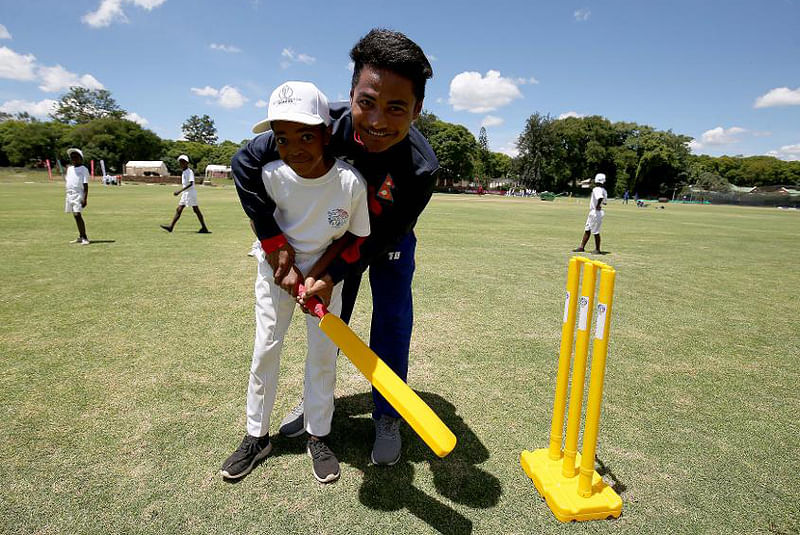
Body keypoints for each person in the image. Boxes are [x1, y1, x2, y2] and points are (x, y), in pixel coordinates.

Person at [231, 29, 438, 467]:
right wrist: (273, 242)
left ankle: (387, 415)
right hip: (332, 241)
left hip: (385, 239)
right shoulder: (321, 127)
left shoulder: (420, 168)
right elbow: (245, 161)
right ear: (351, 95)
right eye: (367, 102)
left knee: (392, 320)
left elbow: (380, 237)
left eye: (396, 107)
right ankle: (316, 405)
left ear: (417, 110)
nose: (378, 120)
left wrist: (330, 275)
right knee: (332, 326)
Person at [221, 81, 370, 484]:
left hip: (324, 277)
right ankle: (257, 437)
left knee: (322, 356)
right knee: (265, 348)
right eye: (282, 139)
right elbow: (260, 220)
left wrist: (320, 275)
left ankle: (318, 434)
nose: (295, 149)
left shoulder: (350, 183)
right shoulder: (269, 174)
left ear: (326, 133)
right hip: (275, 273)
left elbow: (355, 238)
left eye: (306, 135)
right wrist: (281, 262)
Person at [160, 155, 210, 233]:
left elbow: (191, 183)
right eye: (180, 162)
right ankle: (171, 227)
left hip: (190, 193)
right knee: (179, 209)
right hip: (186, 193)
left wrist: (179, 191)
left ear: (187, 163)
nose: (181, 164)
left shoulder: (189, 171)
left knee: (196, 210)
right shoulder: (184, 172)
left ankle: (204, 228)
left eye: (183, 162)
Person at [573, 172, 608, 254]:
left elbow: (600, 198)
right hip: (596, 212)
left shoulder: (596, 189)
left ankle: (597, 249)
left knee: (595, 231)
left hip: (595, 212)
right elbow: (605, 202)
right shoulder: (604, 190)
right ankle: (581, 247)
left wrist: (597, 205)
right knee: (587, 229)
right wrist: (600, 204)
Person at [64, 148, 90, 245]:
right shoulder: (70, 169)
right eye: (72, 157)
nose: (74, 159)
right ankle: (80, 236)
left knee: (77, 215)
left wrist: (85, 198)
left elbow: (85, 185)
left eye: (76, 157)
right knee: (75, 216)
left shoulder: (84, 169)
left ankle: (85, 238)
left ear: (81, 158)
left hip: (78, 194)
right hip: (69, 194)